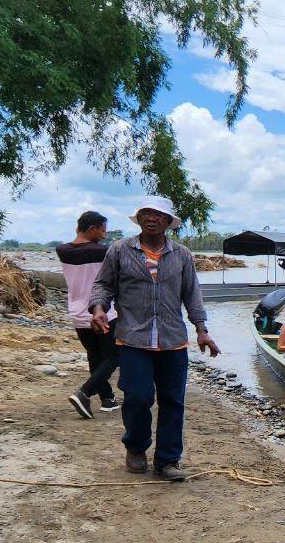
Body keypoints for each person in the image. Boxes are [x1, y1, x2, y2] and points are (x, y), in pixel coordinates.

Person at [88, 195, 220, 481]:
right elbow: (103, 285)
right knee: (138, 396)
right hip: (133, 338)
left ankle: (168, 460)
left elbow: (192, 294)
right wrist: (98, 309)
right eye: (146, 213)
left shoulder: (181, 255)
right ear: (139, 218)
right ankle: (136, 448)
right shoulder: (120, 250)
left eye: (158, 215)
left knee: (173, 400)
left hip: (173, 340)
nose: (151, 218)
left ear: (168, 222)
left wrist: (201, 329)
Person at [58, 210, 121, 418]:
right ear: (92, 229)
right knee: (114, 355)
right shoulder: (104, 252)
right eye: (102, 231)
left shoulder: (62, 250)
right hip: (102, 311)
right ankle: (85, 393)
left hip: (77, 312)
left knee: (95, 356)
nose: (104, 235)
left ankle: (108, 398)